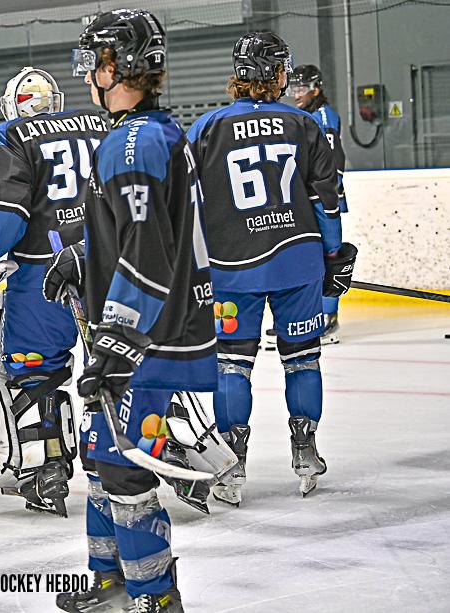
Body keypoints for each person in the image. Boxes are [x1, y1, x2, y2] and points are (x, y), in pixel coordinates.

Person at [47, 10, 217, 612]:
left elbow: (147, 249)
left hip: (147, 337)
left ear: (114, 65)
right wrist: (79, 255)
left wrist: (119, 338)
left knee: (122, 469)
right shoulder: (145, 132)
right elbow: (131, 229)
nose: (87, 70)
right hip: (147, 329)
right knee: (101, 459)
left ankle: (154, 595)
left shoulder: (135, 140)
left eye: (94, 57)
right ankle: (111, 581)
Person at [185, 32, 356, 504]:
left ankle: (232, 463)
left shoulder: (203, 129)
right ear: (275, 73)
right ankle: (305, 451)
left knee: (231, 365)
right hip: (296, 261)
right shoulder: (304, 124)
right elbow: (327, 199)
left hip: (230, 267)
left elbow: (186, 206)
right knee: (302, 358)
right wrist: (334, 254)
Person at [0, 66, 109, 517]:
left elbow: (2, 213)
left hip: (43, 274)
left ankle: (46, 471)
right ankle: (153, 447)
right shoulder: (101, 123)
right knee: (118, 360)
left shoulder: (10, 133)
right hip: (110, 266)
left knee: (35, 373)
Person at [292, 64, 347, 344]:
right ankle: (314, 316)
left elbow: (334, 161)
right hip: (315, 199)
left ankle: (328, 318)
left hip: (324, 201)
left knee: (330, 256)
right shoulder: (309, 115)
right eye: (294, 88)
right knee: (314, 257)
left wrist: (329, 202)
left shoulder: (322, 116)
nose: (296, 94)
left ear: (316, 88)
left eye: (301, 88)